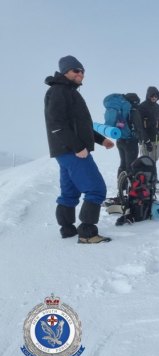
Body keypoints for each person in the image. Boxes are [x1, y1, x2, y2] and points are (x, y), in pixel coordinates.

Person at [44, 55, 115, 244]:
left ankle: (67, 229)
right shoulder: (59, 90)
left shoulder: (68, 91)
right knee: (96, 189)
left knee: (70, 192)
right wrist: (77, 147)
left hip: (66, 151)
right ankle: (87, 233)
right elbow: (56, 124)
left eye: (83, 71)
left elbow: (80, 125)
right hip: (72, 150)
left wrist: (101, 140)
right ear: (65, 71)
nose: (81, 74)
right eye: (76, 70)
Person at [115, 93, 146, 177]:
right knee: (131, 166)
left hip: (120, 140)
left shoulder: (120, 110)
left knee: (123, 164)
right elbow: (139, 127)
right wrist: (143, 139)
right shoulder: (133, 111)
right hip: (130, 142)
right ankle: (131, 188)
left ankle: (121, 186)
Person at [138, 86, 159, 165]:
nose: (154, 97)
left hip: (155, 137)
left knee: (154, 159)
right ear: (148, 95)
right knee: (145, 160)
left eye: (156, 96)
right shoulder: (142, 107)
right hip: (145, 138)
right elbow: (139, 125)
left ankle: (154, 176)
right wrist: (145, 139)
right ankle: (145, 177)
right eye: (152, 96)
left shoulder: (158, 107)